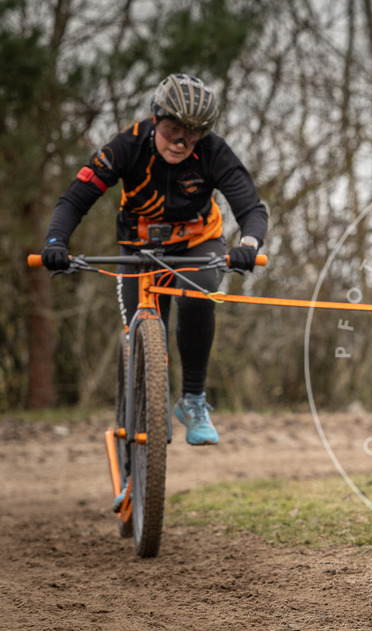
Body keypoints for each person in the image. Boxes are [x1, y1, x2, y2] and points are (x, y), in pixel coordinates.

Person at [41, 73, 268, 446]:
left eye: (192, 134)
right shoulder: (126, 146)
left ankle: (192, 399)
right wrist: (56, 242)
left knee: (199, 293)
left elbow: (251, 207)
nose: (180, 141)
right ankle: (143, 414)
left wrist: (249, 243)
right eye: (172, 129)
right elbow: (74, 199)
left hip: (198, 242)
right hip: (139, 248)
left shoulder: (214, 152)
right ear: (155, 119)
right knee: (140, 329)